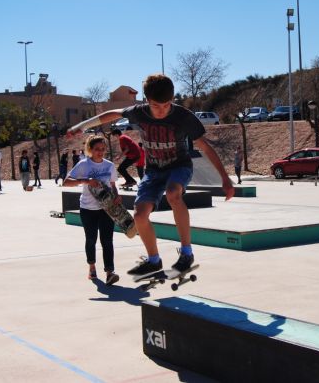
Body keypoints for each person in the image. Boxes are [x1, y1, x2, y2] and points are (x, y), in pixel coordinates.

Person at [67, 73, 234, 276]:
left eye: (167, 105)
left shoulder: (183, 117)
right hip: (153, 171)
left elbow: (206, 148)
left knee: (173, 194)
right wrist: (80, 126)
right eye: (156, 106)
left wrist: (225, 178)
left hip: (179, 166)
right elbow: (112, 113)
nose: (162, 111)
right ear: (147, 100)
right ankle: (154, 260)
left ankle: (187, 252)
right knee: (139, 215)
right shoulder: (139, 112)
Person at [62, 135, 120, 286]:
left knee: (107, 240)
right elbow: (66, 182)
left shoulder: (109, 166)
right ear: (90, 150)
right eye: (96, 149)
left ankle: (110, 272)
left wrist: (116, 195)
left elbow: (113, 184)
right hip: (88, 208)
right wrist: (85, 181)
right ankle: (92, 266)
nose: (100, 152)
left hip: (107, 208)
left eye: (102, 149)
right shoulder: (83, 165)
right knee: (91, 239)